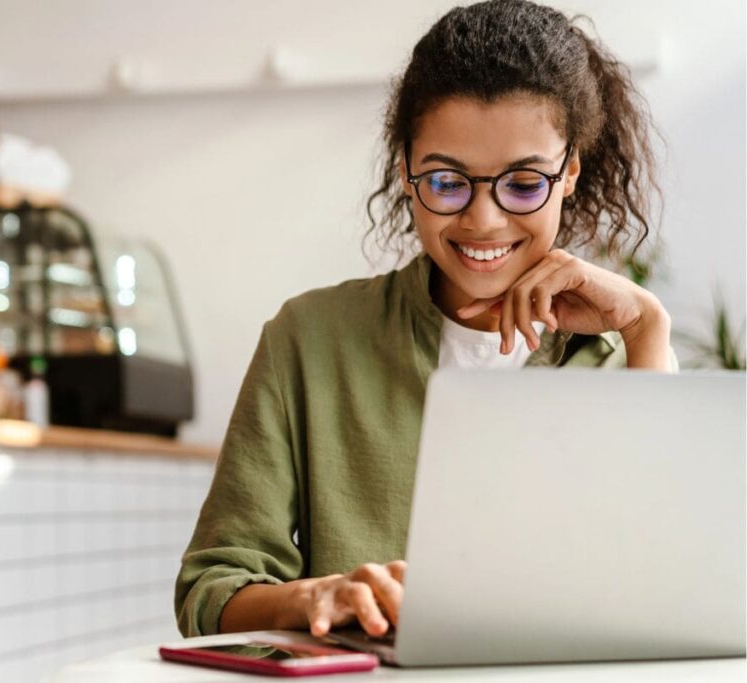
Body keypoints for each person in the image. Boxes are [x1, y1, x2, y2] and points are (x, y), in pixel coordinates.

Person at [175, 0, 676, 641]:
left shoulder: (624, 358)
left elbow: (667, 590)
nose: (483, 220)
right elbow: (211, 592)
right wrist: (314, 596)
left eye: (524, 183)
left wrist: (647, 327)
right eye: (446, 181)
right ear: (406, 171)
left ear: (569, 171)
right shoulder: (308, 340)